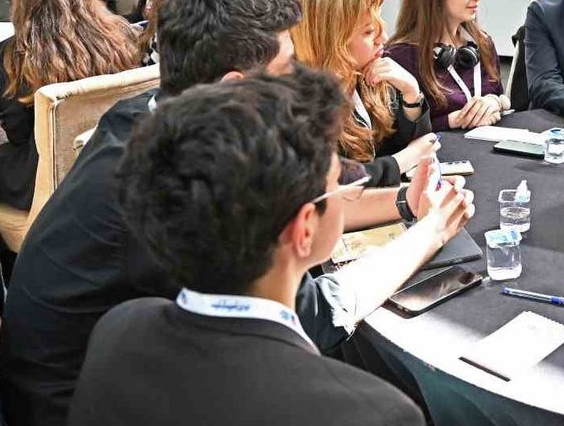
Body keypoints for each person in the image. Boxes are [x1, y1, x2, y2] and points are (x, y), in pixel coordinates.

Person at [0, 0, 473, 426]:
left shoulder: (151, 122)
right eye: (287, 69)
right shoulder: (166, 187)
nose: (299, 80)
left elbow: (299, 207)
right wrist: (429, 232)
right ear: (234, 86)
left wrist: (404, 202)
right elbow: (316, 314)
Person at [68, 70, 426, 426]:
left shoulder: (118, 331)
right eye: (338, 181)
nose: (348, 186)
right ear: (304, 228)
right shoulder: (375, 413)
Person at [0, 0, 138, 211]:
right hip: (114, 159)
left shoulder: (17, 53)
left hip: (45, 180)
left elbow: (17, 134)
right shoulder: (123, 35)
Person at [292, 0, 438, 185]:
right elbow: (334, 183)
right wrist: (401, 161)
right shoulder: (297, 103)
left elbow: (421, 148)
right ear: (330, 39)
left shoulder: (367, 76)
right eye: (369, 31)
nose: (384, 38)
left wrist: (411, 93)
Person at [386, 0, 507, 131]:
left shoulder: (481, 43)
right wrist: (451, 121)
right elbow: (394, 136)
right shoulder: (400, 57)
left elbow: (501, 97)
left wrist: (494, 102)